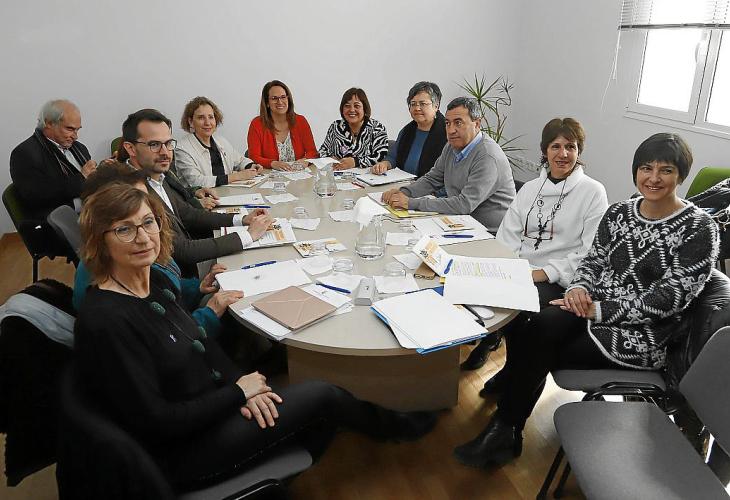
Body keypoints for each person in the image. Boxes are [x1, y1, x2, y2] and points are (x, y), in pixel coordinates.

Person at [73, 183, 436, 488]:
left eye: (148, 222)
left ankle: (303, 443)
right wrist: (236, 393)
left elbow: (199, 342)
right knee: (324, 395)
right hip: (184, 452)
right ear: (99, 241)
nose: (143, 238)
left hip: (208, 405)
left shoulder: (151, 281)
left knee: (312, 401)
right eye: (124, 229)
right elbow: (158, 423)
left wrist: (244, 385)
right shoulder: (106, 321)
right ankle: (394, 427)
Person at [453, 133, 719, 468]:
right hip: (591, 306)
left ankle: (505, 428)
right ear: (636, 171)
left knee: (541, 344)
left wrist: (599, 309)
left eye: (665, 170)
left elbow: (671, 299)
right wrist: (578, 288)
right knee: (535, 322)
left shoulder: (699, 228)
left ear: (681, 175)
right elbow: (593, 260)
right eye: (646, 168)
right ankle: (506, 429)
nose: (653, 178)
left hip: (644, 334)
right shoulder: (620, 212)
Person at [462, 119, 608, 377]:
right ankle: (509, 370)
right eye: (555, 146)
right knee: (477, 294)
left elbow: (590, 252)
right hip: (520, 271)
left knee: (524, 317)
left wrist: (540, 274)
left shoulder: (593, 192)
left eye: (570, 147)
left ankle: (512, 378)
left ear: (579, 151)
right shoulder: (530, 189)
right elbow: (508, 234)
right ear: (544, 151)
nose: (563, 154)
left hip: (560, 278)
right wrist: (511, 268)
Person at [122, 108, 272, 277]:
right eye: (154, 145)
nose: (165, 152)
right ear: (131, 148)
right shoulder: (130, 193)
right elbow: (182, 250)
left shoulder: (158, 175)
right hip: (180, 279)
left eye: (168, 143)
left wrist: (241, 219)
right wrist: (248, 235)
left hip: (192, 265)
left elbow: (190, 215)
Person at [382, 97, 515, 233]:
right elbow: (432, 179)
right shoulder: (452, 146)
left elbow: (464, 204)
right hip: (460, 222)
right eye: (447, 123)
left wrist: (410, 203)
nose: (451, 130)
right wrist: (403, 192)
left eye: (458, 123)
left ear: (477, 124)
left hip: (490, 233)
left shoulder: (488, 156)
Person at [10, 99, 96, 223]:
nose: (75, 136)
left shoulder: (79, 148)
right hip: (57, 222)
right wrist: (81, 178)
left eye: (77, 130)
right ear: (49, 123)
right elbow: (36, 196)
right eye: (70, 129)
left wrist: (104, 171)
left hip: (91, 211)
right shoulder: (24, 153)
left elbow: (91, 180)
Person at [176, 96, 262, 188]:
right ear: (191, 122)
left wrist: (251, 166)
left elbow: (240, 160)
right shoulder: (182, 148)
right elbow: (196, 181)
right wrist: (236, 176)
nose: (207, 123)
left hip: (226, 192)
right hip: (202, 196)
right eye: (201, 118)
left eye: (211, 117)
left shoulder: (220, 141)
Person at [371, 81, 447, 177]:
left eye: (423, 104)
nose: (417, 108)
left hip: (430, 185)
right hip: (403, 182)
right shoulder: (407, 131)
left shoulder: (447, 133)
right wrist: (385, 164)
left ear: (436, 106)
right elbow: (394, 157)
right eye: (413, 104)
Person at [246, 80, 318, 171]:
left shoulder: (301, 121)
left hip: (298, 175)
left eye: (283, 97)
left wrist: (305, 160)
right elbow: (253, 157)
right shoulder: (257, 124)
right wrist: (272, 163)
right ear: (267, 103)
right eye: (274, 98)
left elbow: (313, 152)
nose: (280, 102)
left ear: (288, 99)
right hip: (269, 175)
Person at [319, 88, 388, 170]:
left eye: (357, 106)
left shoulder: (377, 128)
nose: (352, 110)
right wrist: (330, 159)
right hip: (338, 174)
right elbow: (322, 151)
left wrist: (355, 162)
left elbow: (381, 156)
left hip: (368, 176)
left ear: (364, 108)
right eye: (347, 106)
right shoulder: (335, 127)